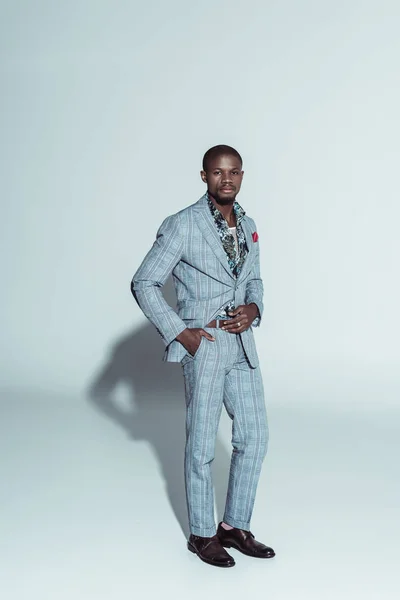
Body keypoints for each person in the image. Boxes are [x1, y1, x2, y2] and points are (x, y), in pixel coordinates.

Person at [131, 145, 275, 568]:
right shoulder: (183, 224)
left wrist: (255, 309)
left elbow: (256, 281)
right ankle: (201, 533)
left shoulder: (248, 224)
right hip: (206, 345)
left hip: (243, 346)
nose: (225, 179)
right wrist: (181, 333)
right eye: (217, 172)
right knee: (201, 445)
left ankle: (234, 526)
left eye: (233, 172)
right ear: (204, 176)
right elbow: (144, 282)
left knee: (255, 436)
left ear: (242, 176)